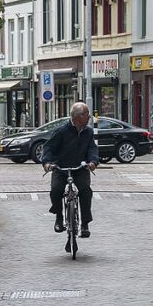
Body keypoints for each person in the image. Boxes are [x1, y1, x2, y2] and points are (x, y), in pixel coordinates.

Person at [42, 102, 99, 242]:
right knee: (56, 190)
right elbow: (48, 148)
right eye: (87, 114)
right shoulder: (61, 131)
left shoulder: (88, 132)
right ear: (78, 117)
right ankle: (59, 217)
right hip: (61, 168)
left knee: (85, 191)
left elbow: (93, 149)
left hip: (80, 168)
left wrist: (93, 162)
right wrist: (47, 163)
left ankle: (84, 224)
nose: (90, 117)